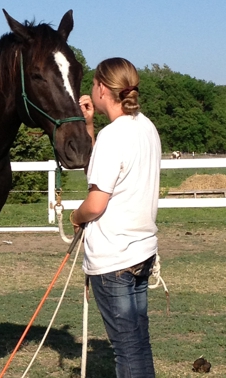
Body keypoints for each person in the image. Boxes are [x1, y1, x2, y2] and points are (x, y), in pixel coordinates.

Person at [70, 57, 161, 378]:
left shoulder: (115, 136)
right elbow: (107, 171)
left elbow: (96, 202)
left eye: (93, 83)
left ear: (102, 89)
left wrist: (76, 216)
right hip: (141, 252)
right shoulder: (145, 127)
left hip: (115, 259)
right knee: (138, 343)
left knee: (127, 350)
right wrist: (90, 127)